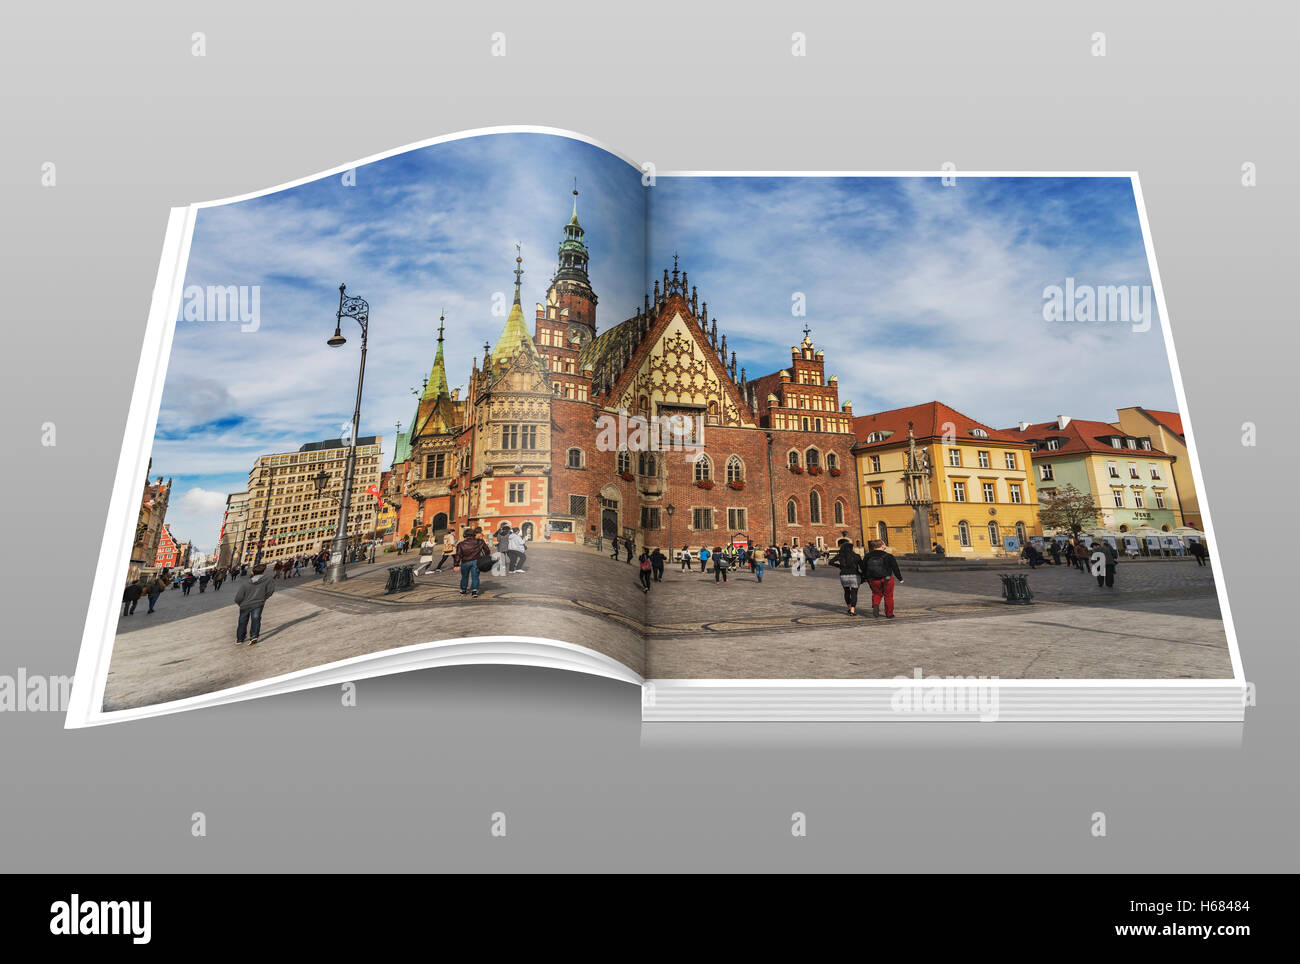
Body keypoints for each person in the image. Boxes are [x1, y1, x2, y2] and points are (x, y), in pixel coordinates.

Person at [233, 563, 275, 645]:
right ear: (263, 571)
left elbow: (238, 597)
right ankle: (254, 636)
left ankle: (240, 639)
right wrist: (263, 598)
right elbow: (270, 591)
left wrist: (240, 604)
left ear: (252, 572)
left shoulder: (246, 583)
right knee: (256, 619)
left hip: (245, 605)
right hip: (258, 603)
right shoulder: (268, 579)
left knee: (242, 621)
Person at [862, 539, 903, 618]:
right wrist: (900, 578)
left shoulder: (868, 556)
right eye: (884, 543)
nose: (885, 545)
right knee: (888, 596)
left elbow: (864, 567)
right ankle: (889, 614)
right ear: (881, 545)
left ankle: (876, 605)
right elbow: (895, 568)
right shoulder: (888, 556)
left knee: (876, 593)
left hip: (873, 579)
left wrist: (865, 577)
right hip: (887, 579)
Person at [453, 527, 489, 598]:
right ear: (473, 534)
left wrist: (456, 564)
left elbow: (458, 555)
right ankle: (474, 591)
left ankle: (463, 590)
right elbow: (487, 551)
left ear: (464, 535)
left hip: (465, 562)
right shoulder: (480, 542)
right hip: (476, 561)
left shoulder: (461, 544)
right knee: (475, 577)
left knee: (464, 577)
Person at [831, 541, 862, 615]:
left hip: (844, 576)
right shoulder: (856, 556)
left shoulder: (840, 556)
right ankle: (852, 610)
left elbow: (831, 562)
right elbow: (862, 566)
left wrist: (840, 566)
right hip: (854, 575)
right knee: (854, 593)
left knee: (847, 592)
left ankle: (848, 607)